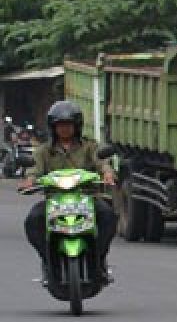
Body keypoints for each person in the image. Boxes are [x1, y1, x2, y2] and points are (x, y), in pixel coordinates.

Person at [20, 101, 117, 280]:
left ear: (77, 126)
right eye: (60, 125)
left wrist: (108, 173)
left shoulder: (90, 146)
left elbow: (102, 162)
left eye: (68, 125)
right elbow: (34, 169)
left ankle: (99, 259)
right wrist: (29, 180)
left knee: (108, 215)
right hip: (55, 200)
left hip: (87, 197)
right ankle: (49, 262)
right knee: (33, 220)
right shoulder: (43, 151)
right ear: (53, 127)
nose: (64, 129)